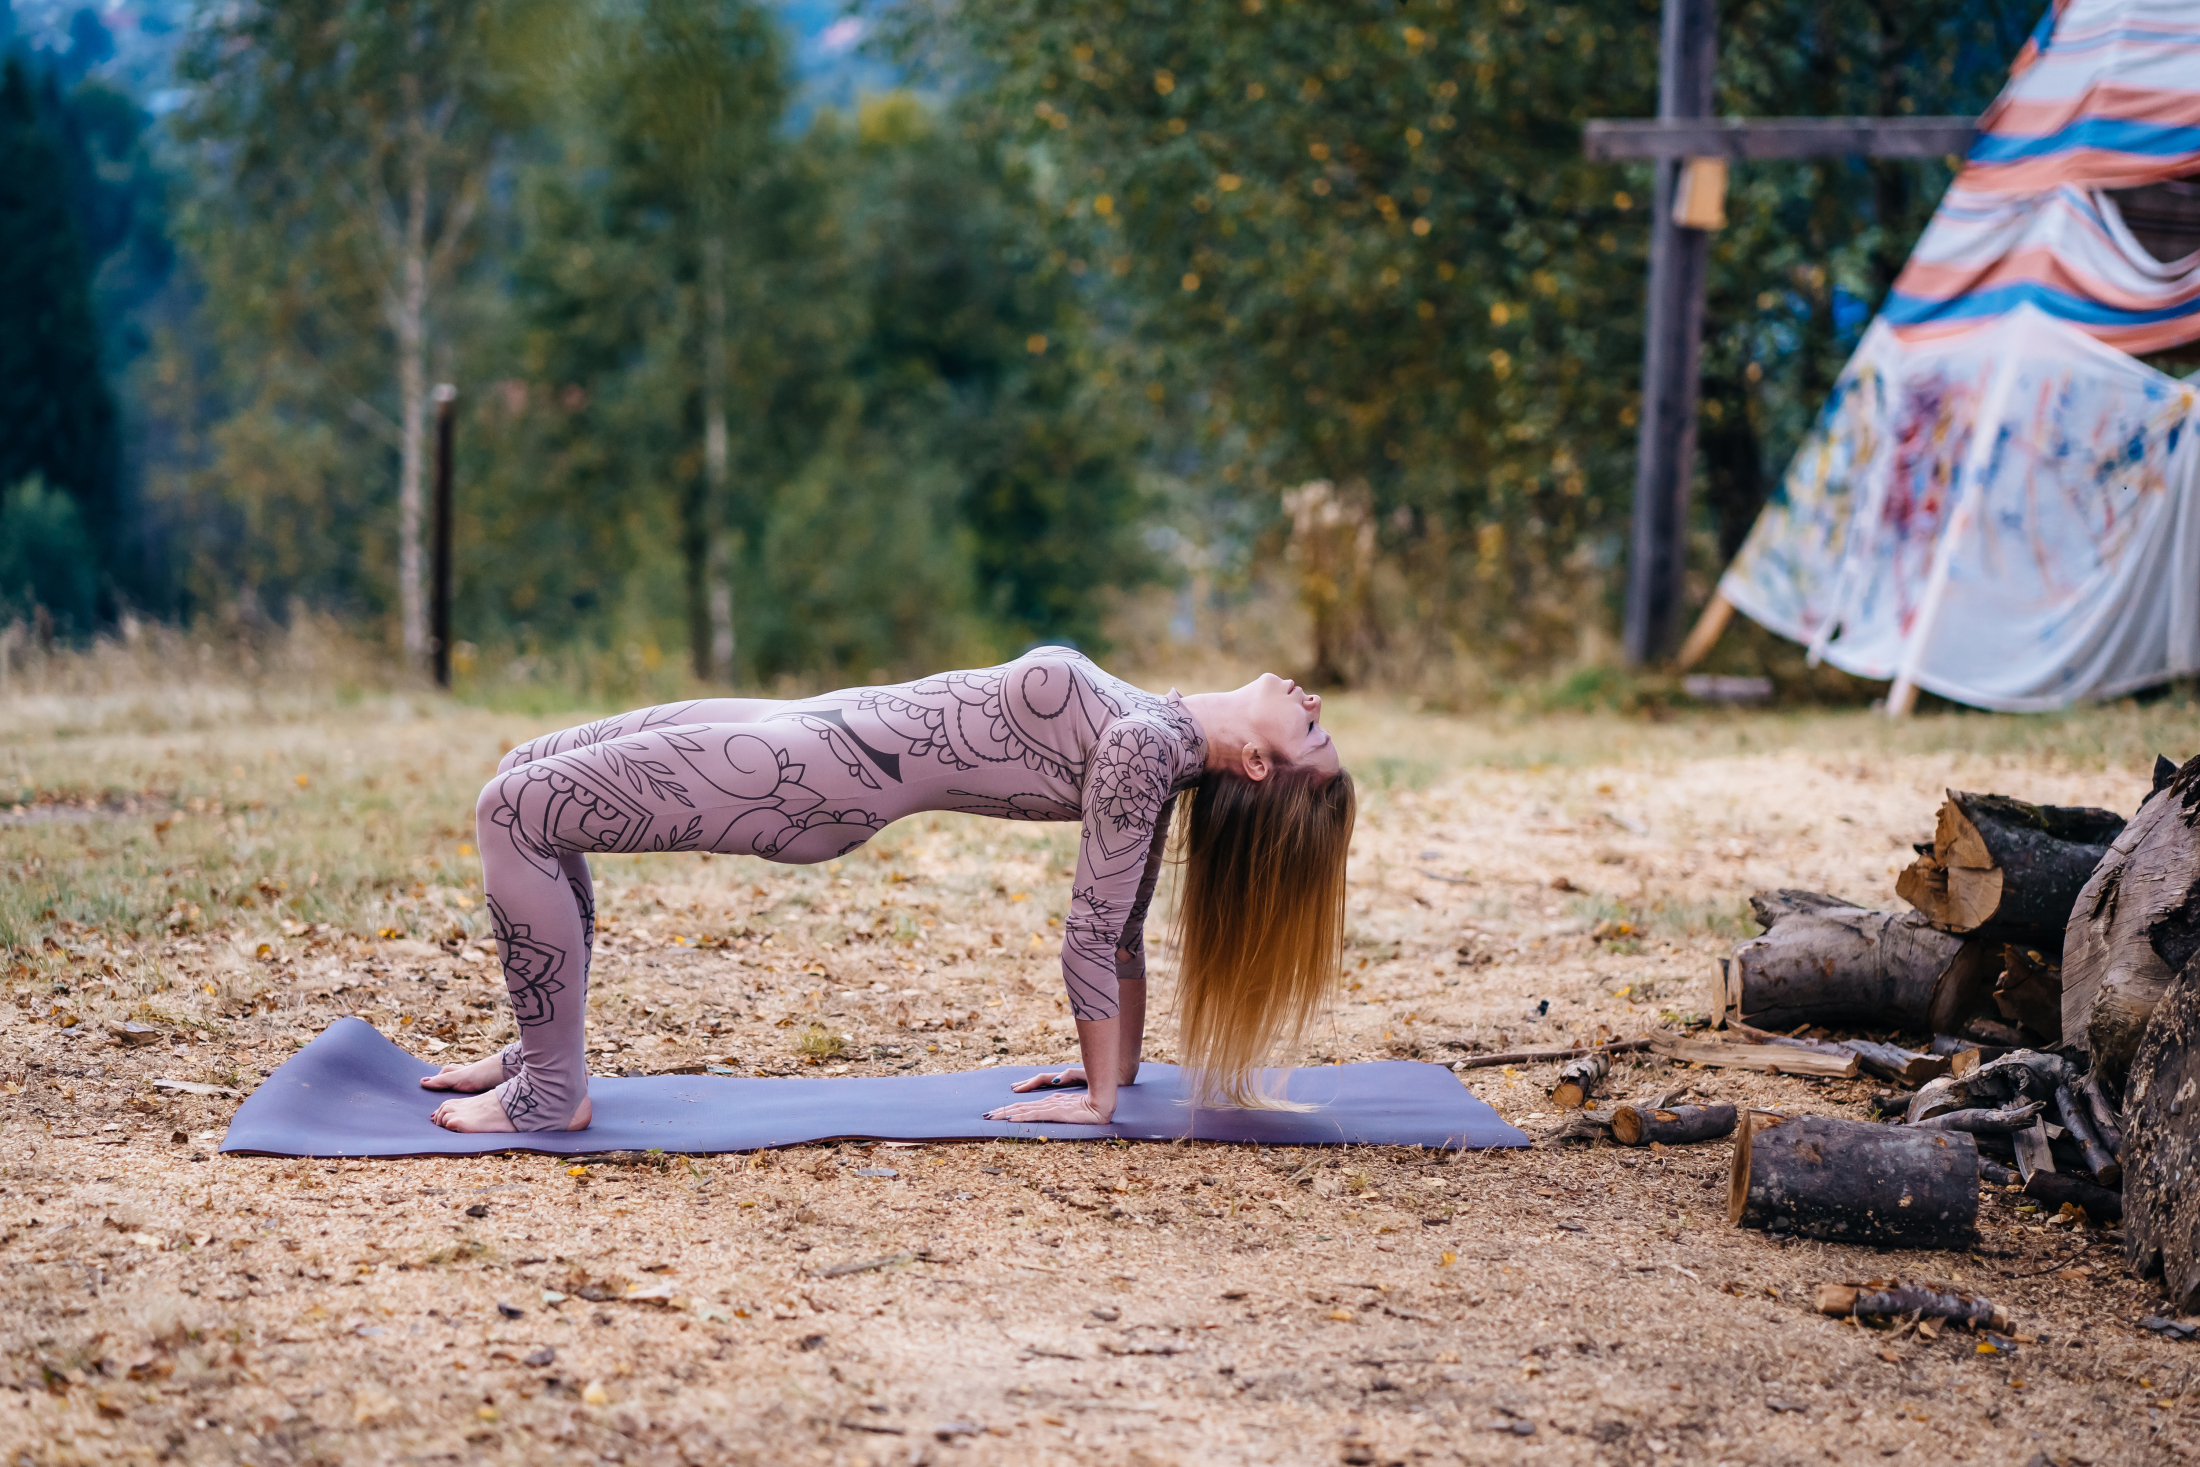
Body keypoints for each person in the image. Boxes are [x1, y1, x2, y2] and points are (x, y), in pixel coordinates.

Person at [421, 647, 1354, 1133]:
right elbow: (1126, 932)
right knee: (525, 770)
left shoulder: (1150, 747)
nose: (1314, 706)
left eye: (1313, 736)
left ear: (1261, 769)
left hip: (806, 778)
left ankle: (553, 1087)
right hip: (801, 725)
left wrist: (1103, 1100)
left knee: (514, 811)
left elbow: (1099, 927)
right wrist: (1120, 1067)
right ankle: (544, 1047)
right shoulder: (1158, 732)